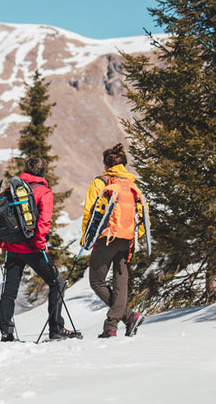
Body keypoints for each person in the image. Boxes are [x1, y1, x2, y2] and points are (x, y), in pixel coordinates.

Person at [0, 157, 76, 341]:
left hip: (13, 250)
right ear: (42, 172)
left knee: (9, 291)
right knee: (56, 283)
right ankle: (55, 328)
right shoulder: (44, 192)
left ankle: (6, 331)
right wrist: (40, 244)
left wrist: (1, 244)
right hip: (33, 250)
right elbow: (44, 222)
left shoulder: (10, 191)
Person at [81, 143, 146, 338]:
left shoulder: (101, 182)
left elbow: (89, 213)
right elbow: (143, 216)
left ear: (106, 165)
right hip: (127, 240)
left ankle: (124, 319)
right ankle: (114, 326)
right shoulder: (133, 186)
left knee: (97, 281)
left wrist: (87, 238)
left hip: (106, 238)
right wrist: (135, 234)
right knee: (121, 283)